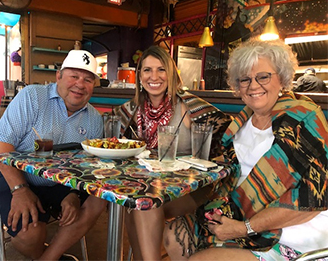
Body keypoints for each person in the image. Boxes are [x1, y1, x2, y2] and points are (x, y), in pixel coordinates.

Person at [163, 39, 328, 261]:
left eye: (263, 76)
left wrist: (242, 228)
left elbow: (312, 203)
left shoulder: (303, 120)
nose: (253, 85)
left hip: (292, 234)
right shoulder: (239, 124)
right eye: (245, 79)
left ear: (281, 78)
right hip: (238, 215)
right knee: (173, 235)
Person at [0, 50, 107, 261]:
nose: (80, 84)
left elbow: (87, 165)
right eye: (73, 76)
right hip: (9, 175)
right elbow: (0, 145)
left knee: (98, 200)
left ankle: (48, 258)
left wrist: (73, 194)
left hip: (58, 181)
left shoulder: (94, 119)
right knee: (32, 232)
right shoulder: (33, 97)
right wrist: (20, 190)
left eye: (88, 79)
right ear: (59, 76)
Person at [113, 45, 232, 260]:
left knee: (144, 204)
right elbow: (118, 144)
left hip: (192, 188)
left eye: (161, 69)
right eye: (147, 70)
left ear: (171, 74)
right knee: (132, 203)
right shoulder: (132, 110)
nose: (154, 76)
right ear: (139, 75)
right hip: (153, 184)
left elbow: (225, 138)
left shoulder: (189, 107)